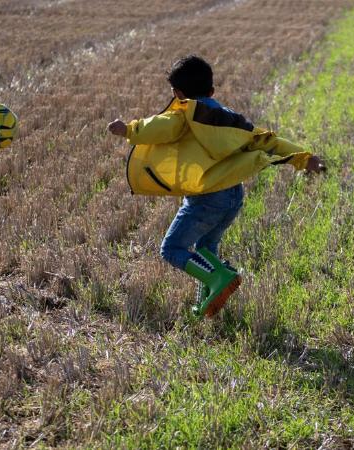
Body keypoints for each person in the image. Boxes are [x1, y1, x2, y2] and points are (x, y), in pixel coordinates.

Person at [107, 55, 325, 318]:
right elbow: (267, 140)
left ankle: (220, 277)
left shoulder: (184, 114)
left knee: (172, 248)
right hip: (233, 195)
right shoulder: (230, 121)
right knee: (206, 250)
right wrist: (304, 157)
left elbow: (160, 127)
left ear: (177, 93)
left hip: (206, 199)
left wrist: (129, 129)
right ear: (212, 91)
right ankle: (205, 303)